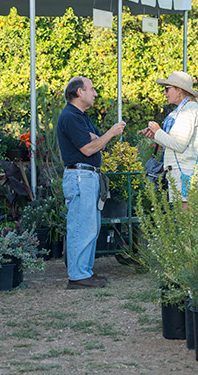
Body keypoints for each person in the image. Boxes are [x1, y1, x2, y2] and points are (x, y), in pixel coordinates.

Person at [57, 76, 125, 289]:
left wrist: (100, 139)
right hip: (80, 177)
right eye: (92, 89)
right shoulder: (70, 117)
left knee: (90, 227)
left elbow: (97, 142)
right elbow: (88, 148)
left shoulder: (80, 116)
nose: (95, 93)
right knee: (81, 226)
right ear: (79, 92)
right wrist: (111, 133)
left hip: (87, 176)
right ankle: (77, 276)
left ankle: (84, 272)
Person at [139, 71, 198, 209]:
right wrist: (156, 136)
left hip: (184, 172)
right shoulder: (183, 109)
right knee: (182, 221)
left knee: (185, 222)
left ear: (179, 90)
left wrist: (158, 131)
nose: (164, 93)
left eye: (167, 89)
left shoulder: (189, 109)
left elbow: (179, 145)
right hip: (181, 170)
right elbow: (175, 142)